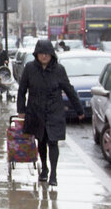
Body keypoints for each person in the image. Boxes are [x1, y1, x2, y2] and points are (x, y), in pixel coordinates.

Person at [17, 39, 84, 186]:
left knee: (53, 142)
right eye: (41, 53)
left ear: (52, 54)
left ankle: (53, 173)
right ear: (37, 54)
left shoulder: (59, 70)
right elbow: (22, 90)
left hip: (54, 111)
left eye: (47, 53)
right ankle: (44, 169)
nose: (44, 56)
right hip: (36, 110)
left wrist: (79, 109)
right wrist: (21, 110)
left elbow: (69, 89)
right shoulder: (29, 68)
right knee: (41, 140)